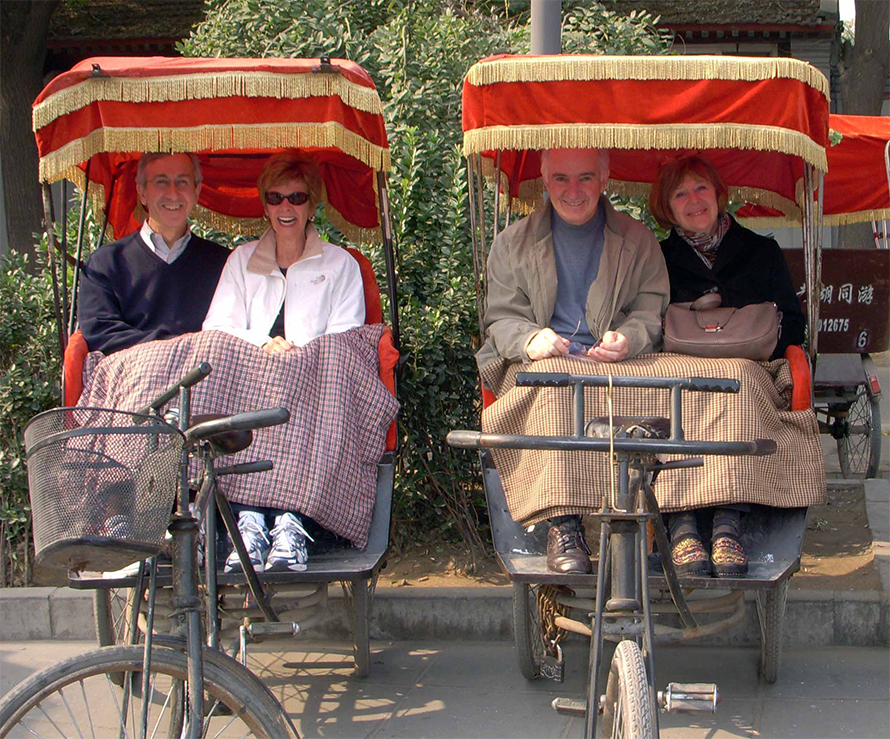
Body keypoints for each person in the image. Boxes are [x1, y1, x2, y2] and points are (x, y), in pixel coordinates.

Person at [477, 147, 670, 575]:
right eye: (561, 178)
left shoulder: (638, 240)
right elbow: (501, 317)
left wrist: (629, 338)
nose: (573, 190)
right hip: (542, 365)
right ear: (544, 180)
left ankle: (672, 516)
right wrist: (531, 339)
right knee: (552, 383)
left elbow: (650, 311)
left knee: (679, 393)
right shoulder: (513, 243)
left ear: (605, 179)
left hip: (619, 365)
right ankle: (563, 524)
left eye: (585, 177)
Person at [203, 150, 365, 573]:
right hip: (251, 377)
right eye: (275, 198)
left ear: (312, 205)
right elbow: (217, 327)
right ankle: (250, 519)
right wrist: (262, 344)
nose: (285, 208)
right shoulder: (241, 261)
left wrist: (297, 353)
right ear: (264, 204)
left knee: (317, 376)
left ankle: (291, 521)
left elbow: (347, 334)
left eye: (296, 198)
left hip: (315, 381)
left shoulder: (340, 264)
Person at [649, 153, 807, 577]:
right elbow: (642, 320)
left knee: (735, 379)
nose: (693, 200)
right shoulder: (656, 257)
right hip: (677, 369)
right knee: (675, 385)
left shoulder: (762, 250)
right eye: (680, 193)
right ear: (668, 206)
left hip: (751, 370)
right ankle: (681, 520)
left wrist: (748, 337)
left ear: (719, 194)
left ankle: (727, 520)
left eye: (701, 188)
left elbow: (793, 324)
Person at [78, 153, 229, 355]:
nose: (173, 193)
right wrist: (173, 347)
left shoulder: (224, 264)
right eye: (162, 182)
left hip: (208, 379)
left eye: (182, 182)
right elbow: (101, 332)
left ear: (197, 191)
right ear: (142, 192)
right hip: (134, 377)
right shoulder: (106, 263)